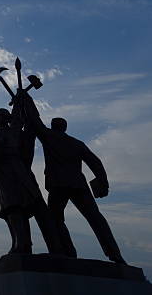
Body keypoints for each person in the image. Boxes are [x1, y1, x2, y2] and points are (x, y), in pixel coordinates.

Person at [21, 92, 126, 264]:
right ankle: (115, 254)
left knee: (55, 219)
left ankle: (67, 252)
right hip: (78, 184)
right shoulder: (77, 143)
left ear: (53, 126)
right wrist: (103, 182)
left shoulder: (48, 136)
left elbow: (34, 118)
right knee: (96, 218)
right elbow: (96, 162)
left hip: (58, 185)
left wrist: (26, 98)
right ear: (65, 128)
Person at [0, 98, 64, 255]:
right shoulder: (18, 132)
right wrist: (20, 104)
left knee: (13, 208)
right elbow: (20, 119)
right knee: (17, 209)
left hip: (8, 173)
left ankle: (22, 245)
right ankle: (22, 244)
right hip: (13, 172)